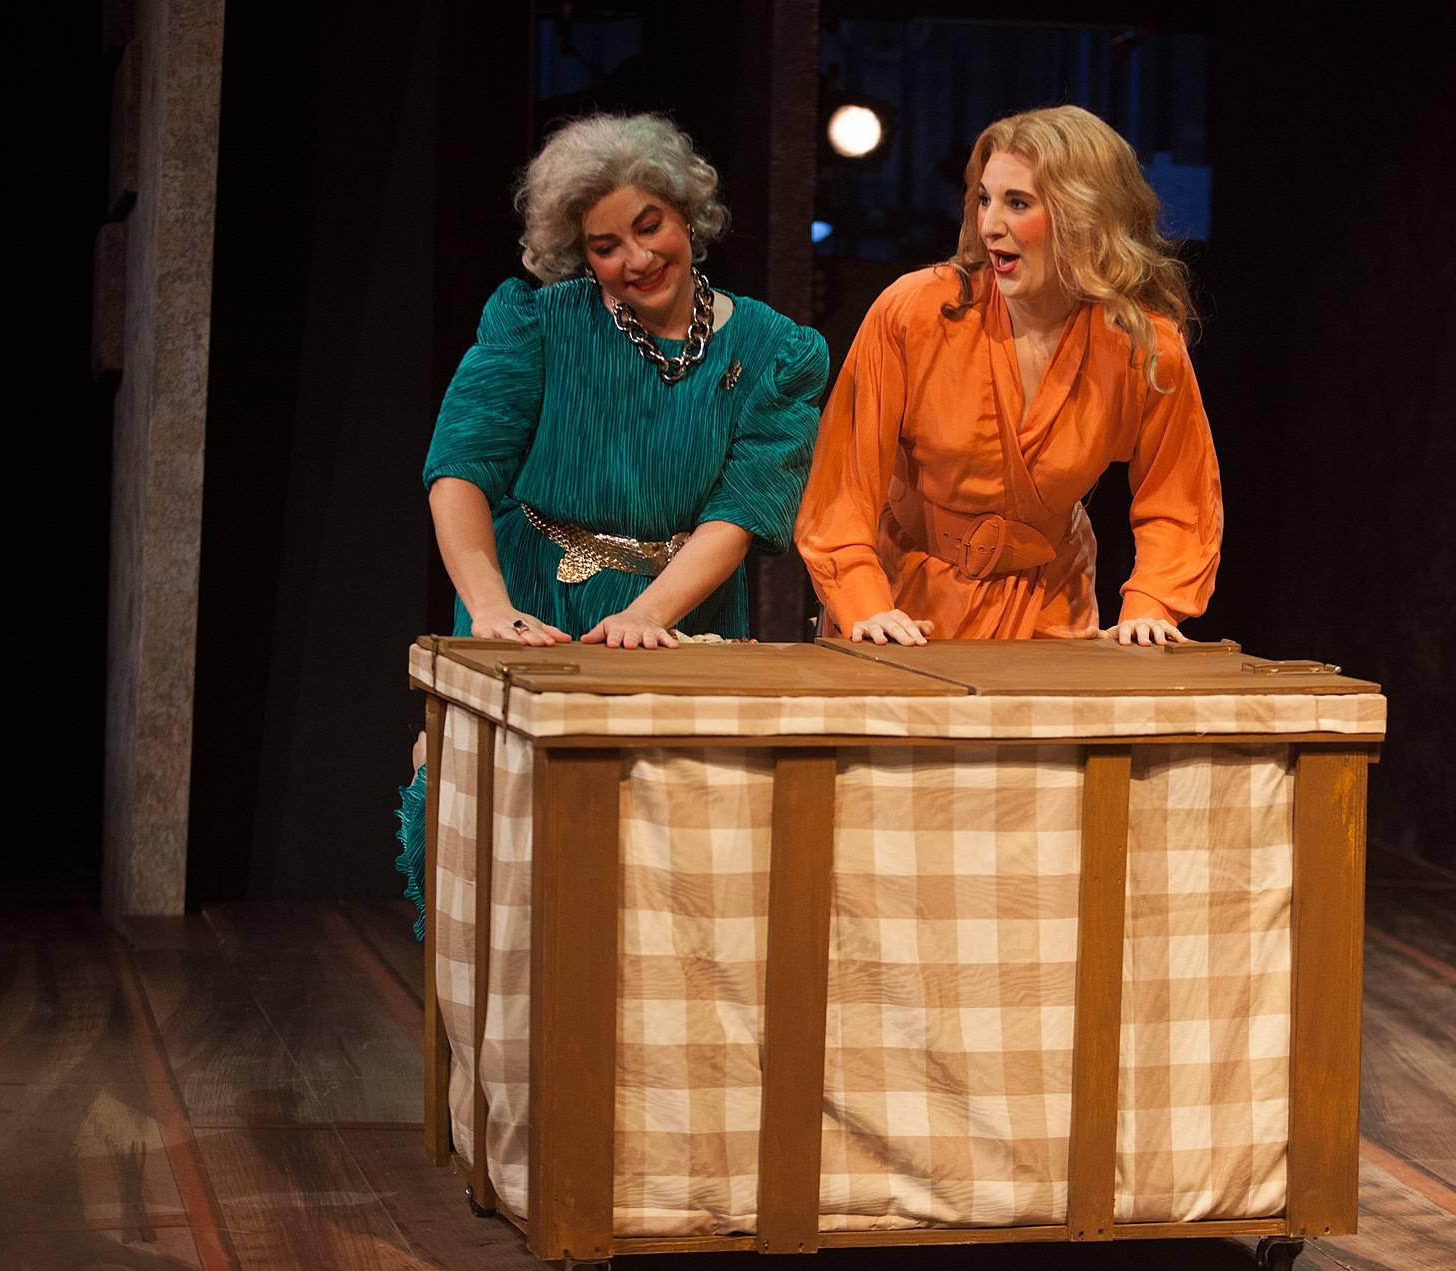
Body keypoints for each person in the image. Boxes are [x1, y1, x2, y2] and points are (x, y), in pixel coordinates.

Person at [397, 112, 829, 934]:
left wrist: (645, 615)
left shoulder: (775, 353)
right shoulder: (539, 324)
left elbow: (741, 513)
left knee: (663, 876)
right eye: (605, 246)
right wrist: (488, 608)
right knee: (507, 865)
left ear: (686, 215)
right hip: (534, 609)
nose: (635, 259)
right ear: (578, 251)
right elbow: (457, 470)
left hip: (681, 619)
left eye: (649, 226)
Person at [794, 105, 1222, 646]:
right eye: (985, 199)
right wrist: (864, 605)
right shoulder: (916, 311)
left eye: (1017, 203)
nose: (990, 225)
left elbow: (1180, 498)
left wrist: (1152, 607)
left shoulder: (1141, 343)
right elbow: (842, 489)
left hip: (1050, 610)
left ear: (1082, 215)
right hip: (906, 609)